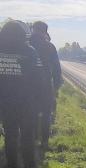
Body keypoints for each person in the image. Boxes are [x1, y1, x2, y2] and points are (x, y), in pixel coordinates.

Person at [0, 20, 43, 168]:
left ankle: (11, 166)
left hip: (6, 102)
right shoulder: (30, 51)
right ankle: (29, 165)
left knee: (10, 133)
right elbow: (39, 79)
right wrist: (40, 101)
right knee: (27, 134)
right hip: (27, 102)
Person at [30, 20, 62, 149]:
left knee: (30, 112)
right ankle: (44, 141)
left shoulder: (27, 44)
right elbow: (57, 70)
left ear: (33, 29)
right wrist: (56, 87)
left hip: (28, 86)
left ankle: (31, 138)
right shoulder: (50, 46)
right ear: (45, 31)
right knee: (46, 114)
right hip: (46, 86)